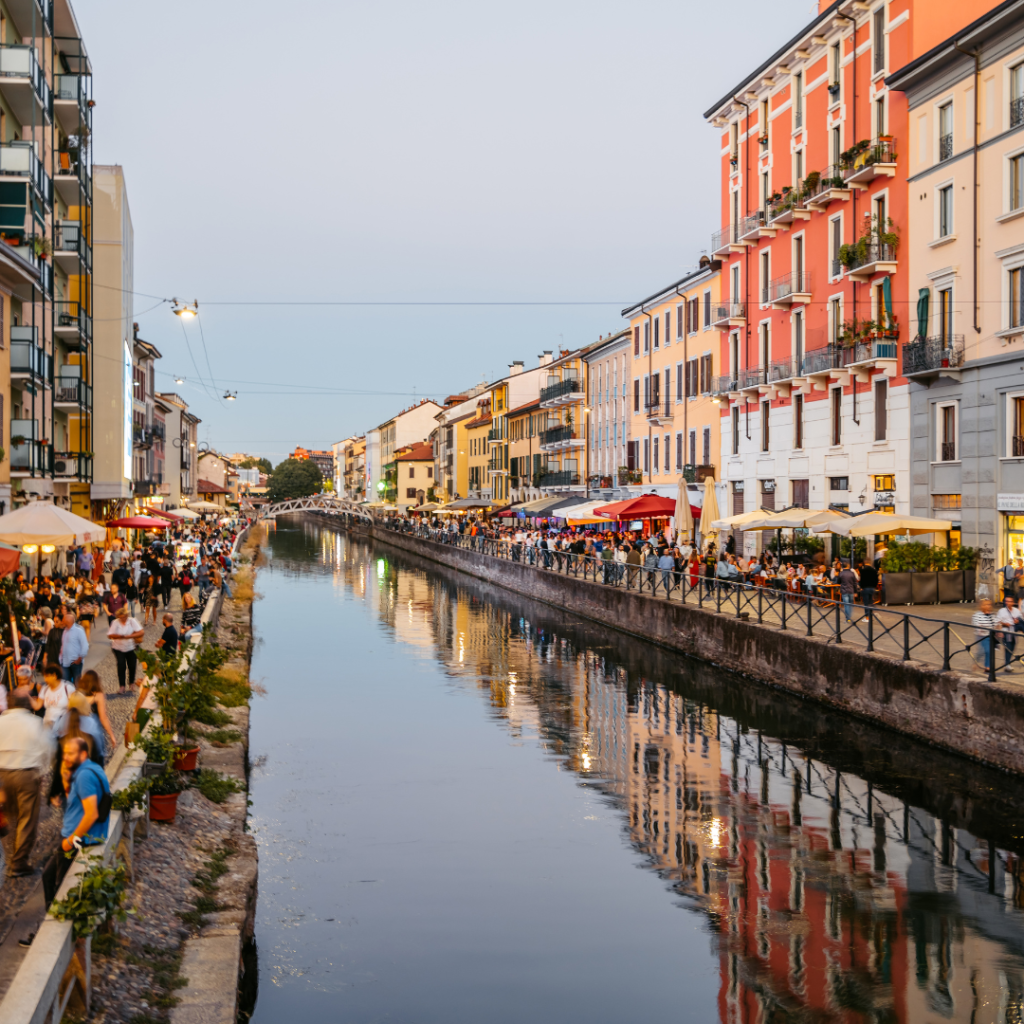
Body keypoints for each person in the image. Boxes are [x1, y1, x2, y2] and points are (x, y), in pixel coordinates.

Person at [0, 688, 53, 877]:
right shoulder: (34, 722)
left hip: (2, 776)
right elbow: (47, 748)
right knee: (27, 818)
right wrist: (43, 772)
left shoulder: (1, 721)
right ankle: (18, 862)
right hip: (26, 774)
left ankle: (7, 855)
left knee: (7, 816)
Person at [76, 670, 116, 755]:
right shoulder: (98, 696)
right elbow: (103, 718)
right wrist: (111, 735)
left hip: (79, 730)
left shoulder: (77, 694)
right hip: (94, 731)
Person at [108, 603, 144, 693]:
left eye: (124, 617)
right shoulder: (115, 623)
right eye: (121, 617)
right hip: (118, 648)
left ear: (127, 615)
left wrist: (129, 636)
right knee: (121, 665)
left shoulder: (132, 621)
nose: (122, 619)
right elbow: (110, 635)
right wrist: (119, 636)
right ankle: (122, 686)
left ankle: (131, 683)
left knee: (132, 665)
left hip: (131, 647)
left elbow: (141, 632)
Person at [32, 664, 75, 731]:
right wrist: (27, 697)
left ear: (54, 676)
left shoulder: (68, 687)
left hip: (63, 727)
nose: (45, 679)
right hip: (47, 727)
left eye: (47, 676)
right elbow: (37, 706)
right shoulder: (45, 689)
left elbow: (74, 706)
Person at [58, 606, 88, 685]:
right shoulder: (65, 631)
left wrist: (80, 658)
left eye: (63, 619)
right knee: (66, 683)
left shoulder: (79, 630)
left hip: (75, 662)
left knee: (77, 683)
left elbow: (85, 645)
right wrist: (60, 658)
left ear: (68, 621)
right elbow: (63, 645)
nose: (62, 621)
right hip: (64, 662)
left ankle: (77, 696)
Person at [973, 598, 1001, 672]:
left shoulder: (992, 615)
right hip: (982, 636)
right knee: (987, 650)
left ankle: (986, 666)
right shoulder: (977, 615)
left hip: (991, 636)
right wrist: (981, 628)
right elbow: (977, 625)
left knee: (988, 651)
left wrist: (998, 629)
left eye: (989, 604)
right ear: (982, 606)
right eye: (986, 604)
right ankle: (985, 665)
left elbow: (996, 624)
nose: (988, 606)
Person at [996, 595, 1022, 673]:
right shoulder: (1002, 610)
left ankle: (1007, 663)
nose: (1008, 603)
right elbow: (998, 621)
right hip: (1006, 630)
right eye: (1006, 601)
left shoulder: (1016, 610)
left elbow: (1020, 620)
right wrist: (1004, 624)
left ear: (1013, 602)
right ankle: (1007, 664)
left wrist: (1017, 621)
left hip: (1014, 630)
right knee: (1008, 647)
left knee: (1013, 646)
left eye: (1010, 601)